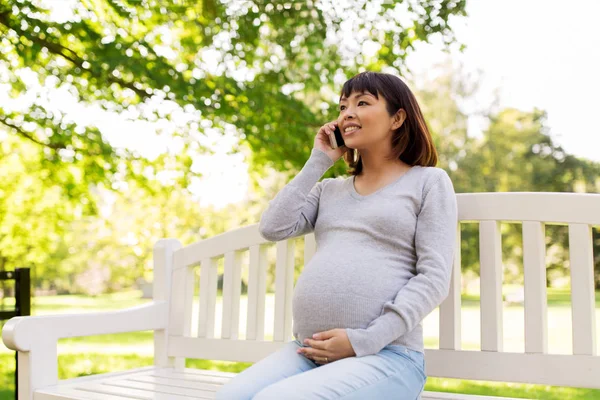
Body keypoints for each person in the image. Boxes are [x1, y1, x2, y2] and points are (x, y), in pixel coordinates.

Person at [215, 71, 457, 400]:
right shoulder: (328, 190)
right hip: (309, 354)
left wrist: (365, 340)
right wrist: (319, 162)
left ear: (397, 118)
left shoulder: (429, 182)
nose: (347, 114)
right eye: (342, 107)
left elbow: (434, 278)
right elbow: (273, 227)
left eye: (362, 103)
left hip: (387, 356)